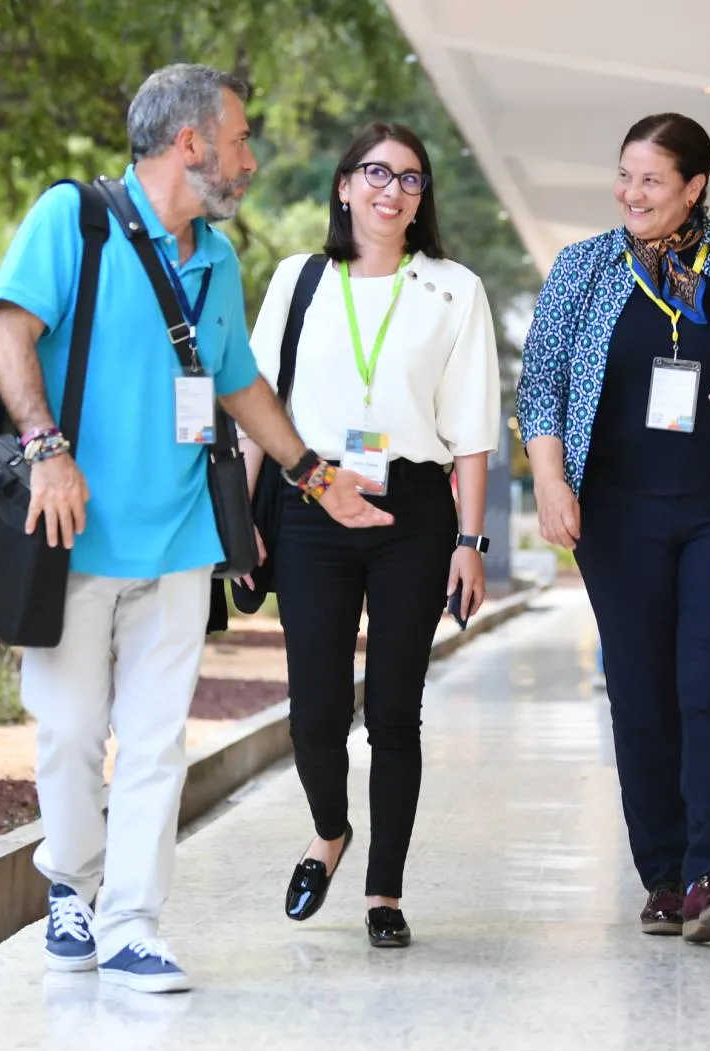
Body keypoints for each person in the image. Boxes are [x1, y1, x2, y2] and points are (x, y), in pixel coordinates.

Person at [0, 63, 388, 993]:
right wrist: (46, 447)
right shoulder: (72, 221)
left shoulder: (216, 258)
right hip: (71, 530)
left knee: (158, 741)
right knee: (72, 731)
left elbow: (240, 384)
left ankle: (131, 921)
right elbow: (11, 333)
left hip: (179, 541)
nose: (251, 160)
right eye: (241, 140)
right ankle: (70, 889)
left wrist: (316, 477)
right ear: (192, 143)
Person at [517, 113, 710, 944]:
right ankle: (659, 875)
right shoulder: (584, 269)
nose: (632, 193)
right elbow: (539, 385)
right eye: (624, 175)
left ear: (695, 187)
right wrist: (551, 483)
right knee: (642, 696)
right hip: (618, 520)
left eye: (651, 180)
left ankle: (708, 874)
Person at [242, 122, 500, 949]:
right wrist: (243, 521)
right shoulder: (298, 279)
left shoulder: (455, 288)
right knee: (314, 710)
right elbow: (258, 405)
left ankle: (383, 893)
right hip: (312, 505)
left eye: (412, 179)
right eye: (376, 173)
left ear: (423, 199)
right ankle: (329, 830)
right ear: (345, 185)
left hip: (414, 515)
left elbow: (470, 432)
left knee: (395, 712)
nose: (393, 190)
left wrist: (471, 541)